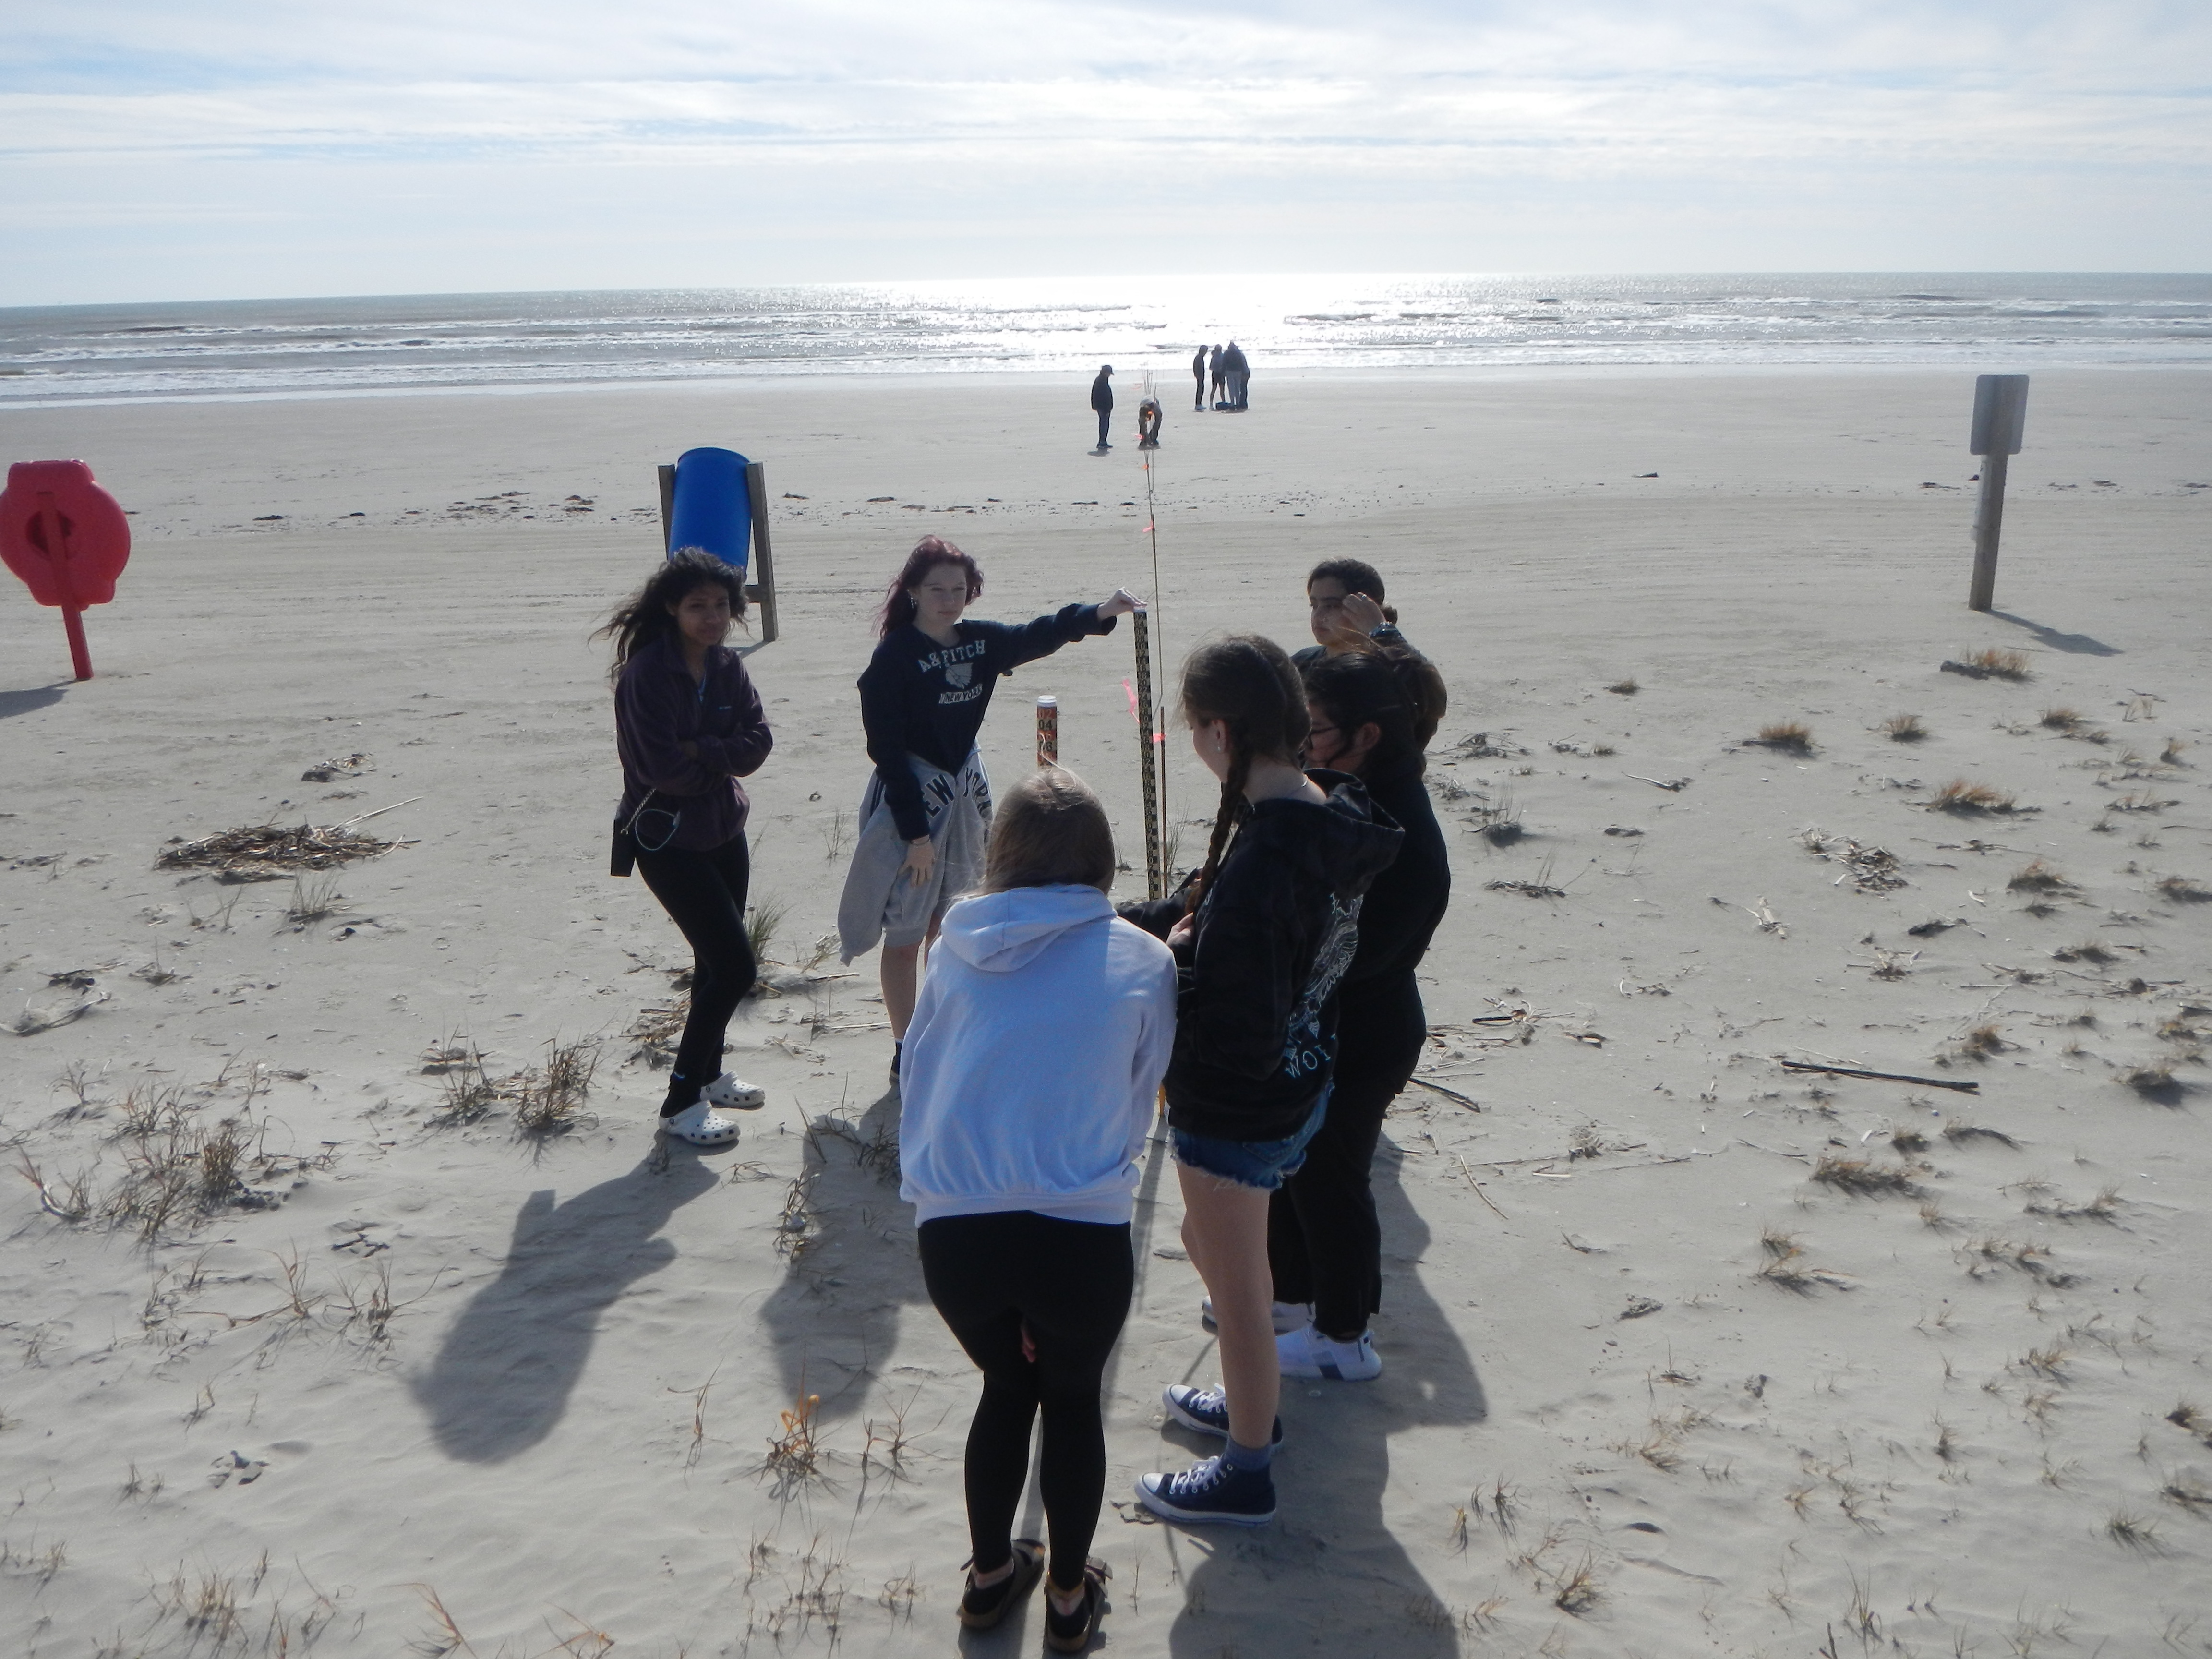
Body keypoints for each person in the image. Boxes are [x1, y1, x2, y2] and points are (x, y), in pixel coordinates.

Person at [1122, 636, 1401, 1526]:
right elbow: (1214, 917)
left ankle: (1247, 1468)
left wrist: (1175, 968)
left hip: (1239, 1106)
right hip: (1299, 1085)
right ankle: (1253, 1402)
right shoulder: (1324, 813)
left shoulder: (1269, 857)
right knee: (1216, 1257)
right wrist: (1128, 923)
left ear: (1216, 732)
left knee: (1240, 1302)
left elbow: (1235, 1028)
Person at [900, 768, 1177, 1650]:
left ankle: (988, 1579)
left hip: (956, 1230)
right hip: (1079, 1227)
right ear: (1101, 866)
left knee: (1003, 1386)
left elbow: (924, 1065)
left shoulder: (950, 946)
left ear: (999, 859)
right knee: (1070, 1398)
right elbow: (1145, 1089)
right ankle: (1066, 1596)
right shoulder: (1145, 957)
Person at [836, 536, 1140, 1083]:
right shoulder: (894, 658)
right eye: (937, 589)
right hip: (914, 799)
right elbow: (885, 751)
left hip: (965, 794)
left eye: (959, 589)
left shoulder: (978, 644)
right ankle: (907, 1048)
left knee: (949, 924)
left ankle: (941, 1026)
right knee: (905, 932)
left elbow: (1037, 635)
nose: (949, 600)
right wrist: (915, 836)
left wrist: (1099, 613)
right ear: (913, 591)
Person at [1269, 646, 1450, 1380]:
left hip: (1367, 1032)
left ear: (1367, 735)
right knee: (1290, 1165)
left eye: (1310, 731)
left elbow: (1357, 953)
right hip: (1324, 1025)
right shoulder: (1339, 793)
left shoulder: (1398, 826)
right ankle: (1288, 1301)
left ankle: (1344, 1339)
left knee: (1332, 1177)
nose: (1298, 747)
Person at [600, 549, 774, 1147]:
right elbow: (663, 768)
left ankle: (710, 1073)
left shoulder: (727, 667)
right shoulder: (646, 674)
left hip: (726, 831)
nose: (711, 617)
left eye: (721, 605)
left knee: (712, 963)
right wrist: (713, 756)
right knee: (735, 967)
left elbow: (757, 743)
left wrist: (706, 751)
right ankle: (680, 1103)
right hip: (668, 840)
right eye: (697, 605)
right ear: (672, 608)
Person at [1291, 556, 1414, 671]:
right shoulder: (1300, 665)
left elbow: (1421, 680)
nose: (1318, 616)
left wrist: (1382, 631)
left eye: (1332, 606)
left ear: (1368, 608)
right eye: (1314, 605)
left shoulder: (1392, 670)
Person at [1089, 364, 1114, 451]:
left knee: (1104, 423)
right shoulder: (1100, 381)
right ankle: (1102, 442)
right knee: (1104, 424)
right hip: (1103, 407)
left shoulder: (1102, 380)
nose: (1110, 375)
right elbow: (1099, 396)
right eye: (1109, 373)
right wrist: (1106, 407)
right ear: (1105, 372)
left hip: (1103, 407)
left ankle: (1103, 441)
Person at [1223, 340, 1250, 411]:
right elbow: (1242, 363)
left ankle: (1232, 404)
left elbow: (1224, 364)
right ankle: (1238, 403)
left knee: (1231, 388)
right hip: (1239, 371)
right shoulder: (1239, 353)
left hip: (1229, 371)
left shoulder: (1227, 353)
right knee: (1237, 388)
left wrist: (1223, 372)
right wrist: (1245, 372)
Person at [1208, 344, 1226, 409]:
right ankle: (1223, 402)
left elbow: (1211, 367)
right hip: (1220, 374)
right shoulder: (1222, 356)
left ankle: (1211, 404)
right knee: (1220, 390)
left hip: (1216, 373)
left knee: (1215, 389)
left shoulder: (1214, 357)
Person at [1191, 344, 1208, 412]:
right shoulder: (1198, 358)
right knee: (1200, 389)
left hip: (1201, 376)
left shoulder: (1200, 357)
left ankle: (1199, 404)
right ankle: (1198, 405)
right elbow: (1195, 367)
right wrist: (1197, 375)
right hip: (1200, 376)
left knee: (1201, 389)